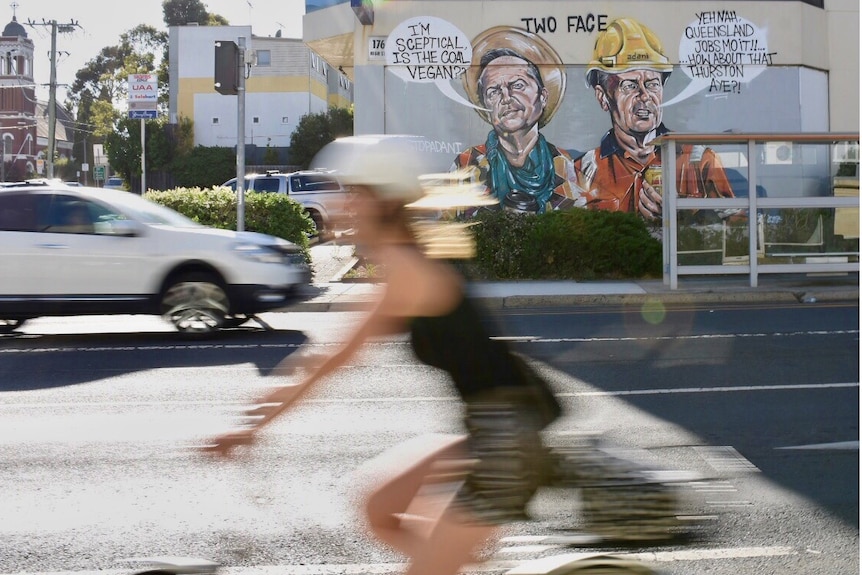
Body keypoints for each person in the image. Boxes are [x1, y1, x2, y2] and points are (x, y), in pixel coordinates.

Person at [204, 135, 562, 575]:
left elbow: (330, 362)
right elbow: (327, 359)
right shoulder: (406, 263)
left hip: (507, 440)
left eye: (352, 194)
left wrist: (254, 428)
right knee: (379, 508)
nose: (341, 206)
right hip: (489, 427)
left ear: (385, 201)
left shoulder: (409, 274)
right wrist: (255, 424)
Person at [574, 18, 735, 221]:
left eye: (652, 84)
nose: (644, 96)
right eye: (630, 85)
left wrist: (683, 216)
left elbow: (738, 230)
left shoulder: (699, 160)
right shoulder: (584, 171)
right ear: (603, 97)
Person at [453, 26, 581, 214]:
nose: (506, 97)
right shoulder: (467, 163)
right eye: (494, 91)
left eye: (518, 85)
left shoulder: (564, 165)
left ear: (543, 96)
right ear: (486, 107)